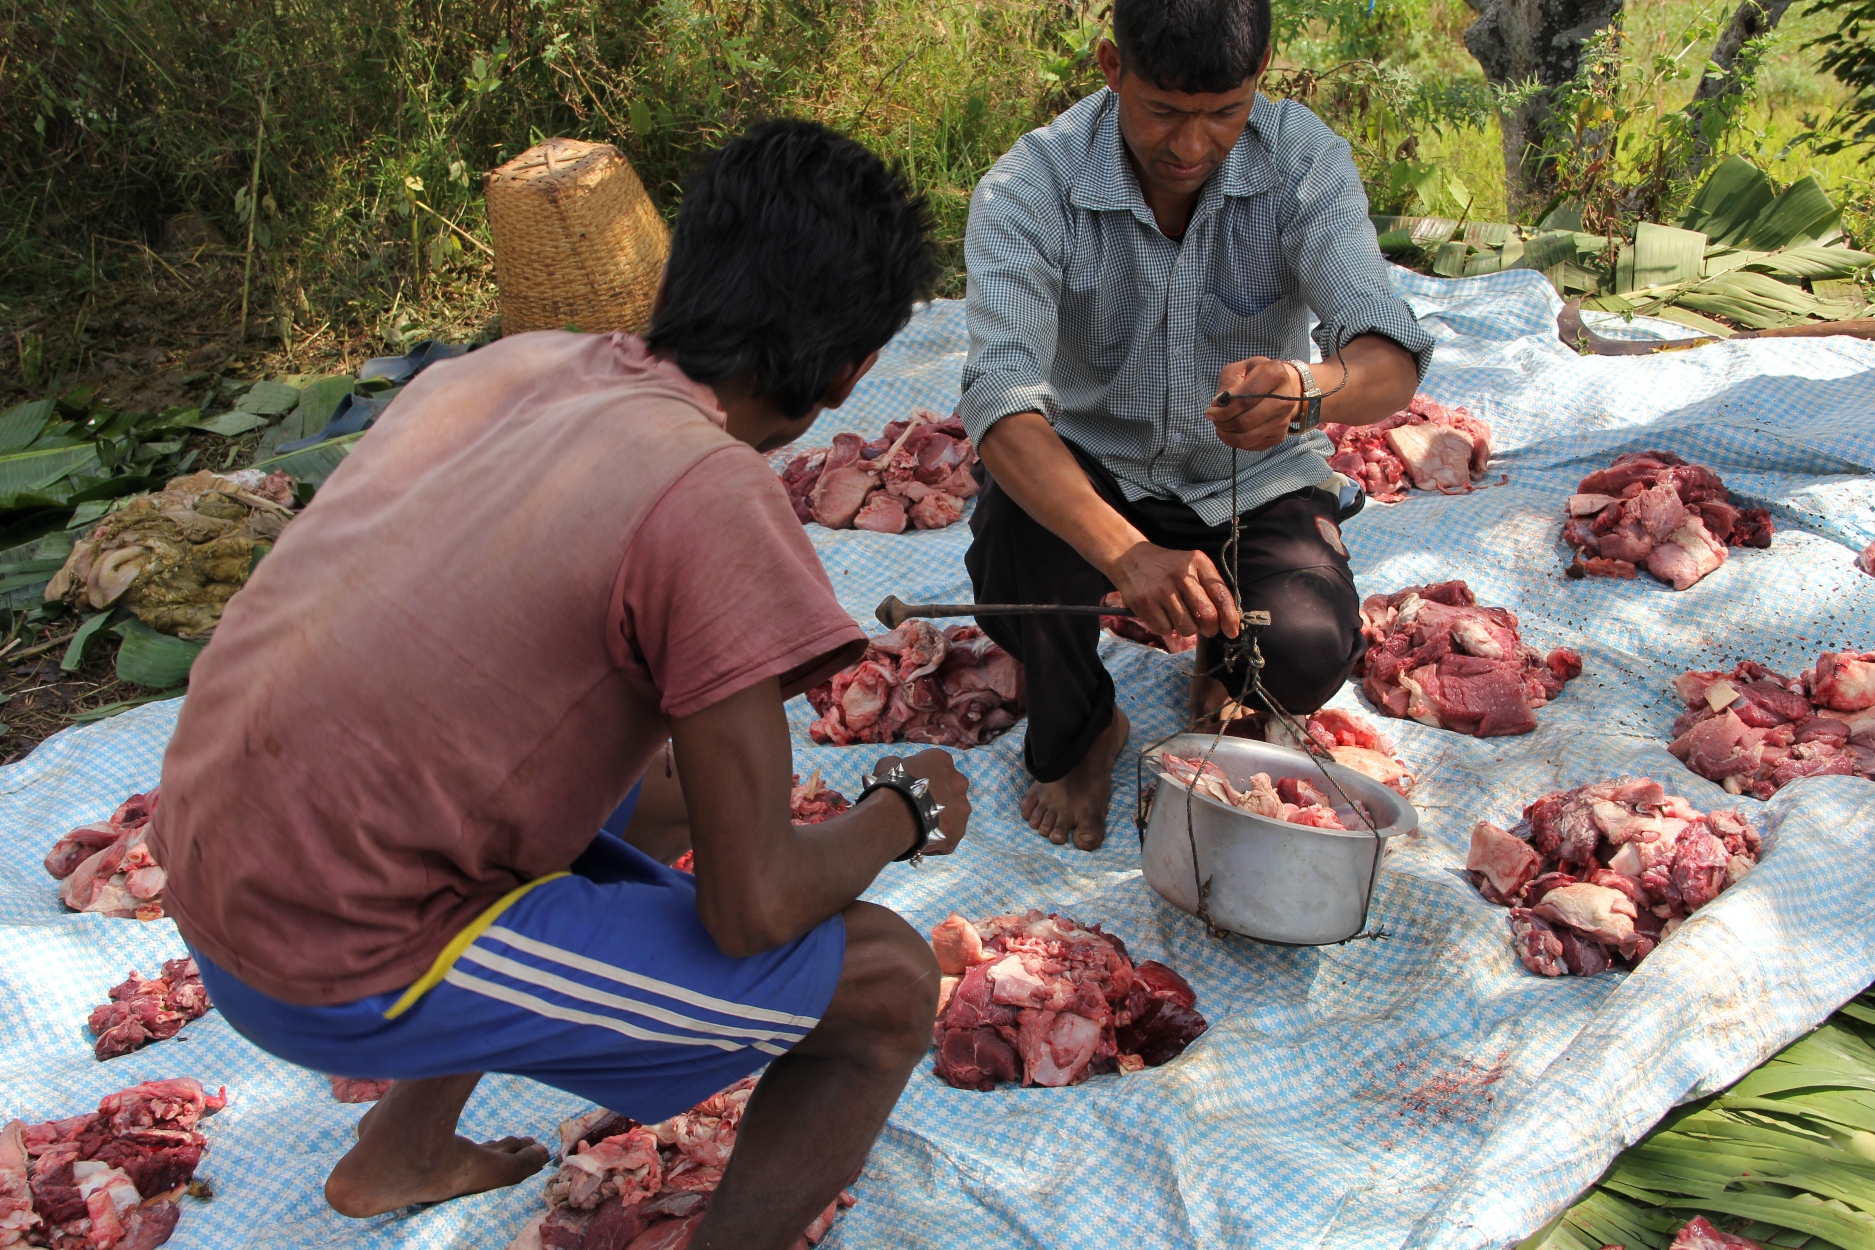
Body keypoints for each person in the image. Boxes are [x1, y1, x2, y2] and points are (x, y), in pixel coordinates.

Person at [148, 120, 970, 1250]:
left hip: (208, 860)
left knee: (671, 793)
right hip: (322, 960)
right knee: (884, 981)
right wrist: (903, 812)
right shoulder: (710, 492)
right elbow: (756, 905)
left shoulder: (508, 364)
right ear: (853, 370)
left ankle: (401, 1153)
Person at [957, 0, 1435, 850]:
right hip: (1092, 462)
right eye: (1163, 111)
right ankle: (1081, 732)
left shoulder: (1300, 160)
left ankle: (1226, 670)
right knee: (1011, 565)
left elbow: (1387, 358)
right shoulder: (1031, 186)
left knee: (1310, 644)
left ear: (1260, 78)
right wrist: (1125, 552)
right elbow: (1002, 404)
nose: (1190, 146)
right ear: (1112, 67)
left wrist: (1306, 389)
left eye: (1223, 113)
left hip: (1248, 475)